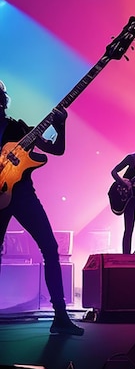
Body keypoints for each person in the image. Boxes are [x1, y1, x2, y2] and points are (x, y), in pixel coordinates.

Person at [0, 80, 83, 335]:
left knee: (50, 247)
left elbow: (56, 149)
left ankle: (60, 316)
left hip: (24, 194)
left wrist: (61, 125)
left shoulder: (20, 128)